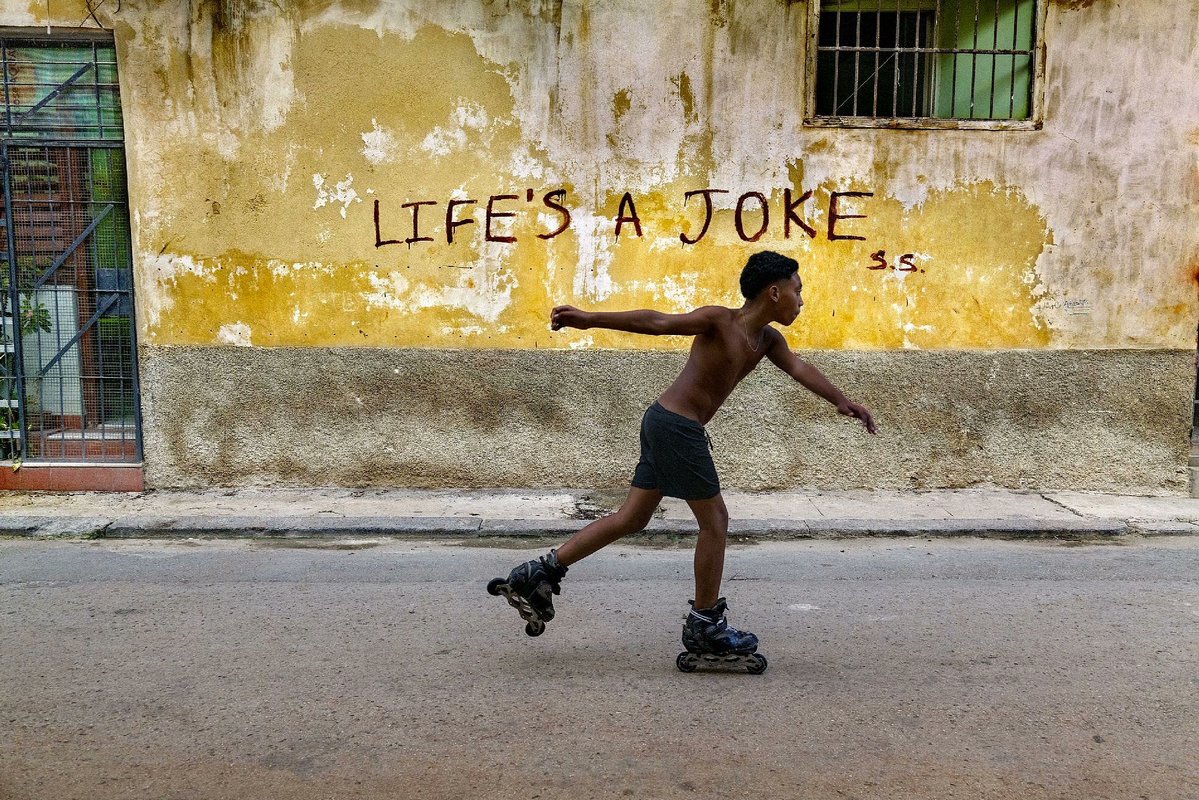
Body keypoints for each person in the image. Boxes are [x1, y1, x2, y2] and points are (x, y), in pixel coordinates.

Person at [496, 250, 876, 656]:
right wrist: (589, 318)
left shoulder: (767, 340)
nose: (802, 300)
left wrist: (841, 401)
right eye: (798, 290)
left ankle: (538, 573)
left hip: (666, 423)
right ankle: (705, 624)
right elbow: (658, 323)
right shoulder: (719, 320)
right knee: (716, 521)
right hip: (677, 427)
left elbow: (800, 368)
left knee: (632, 517)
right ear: (775, 292)